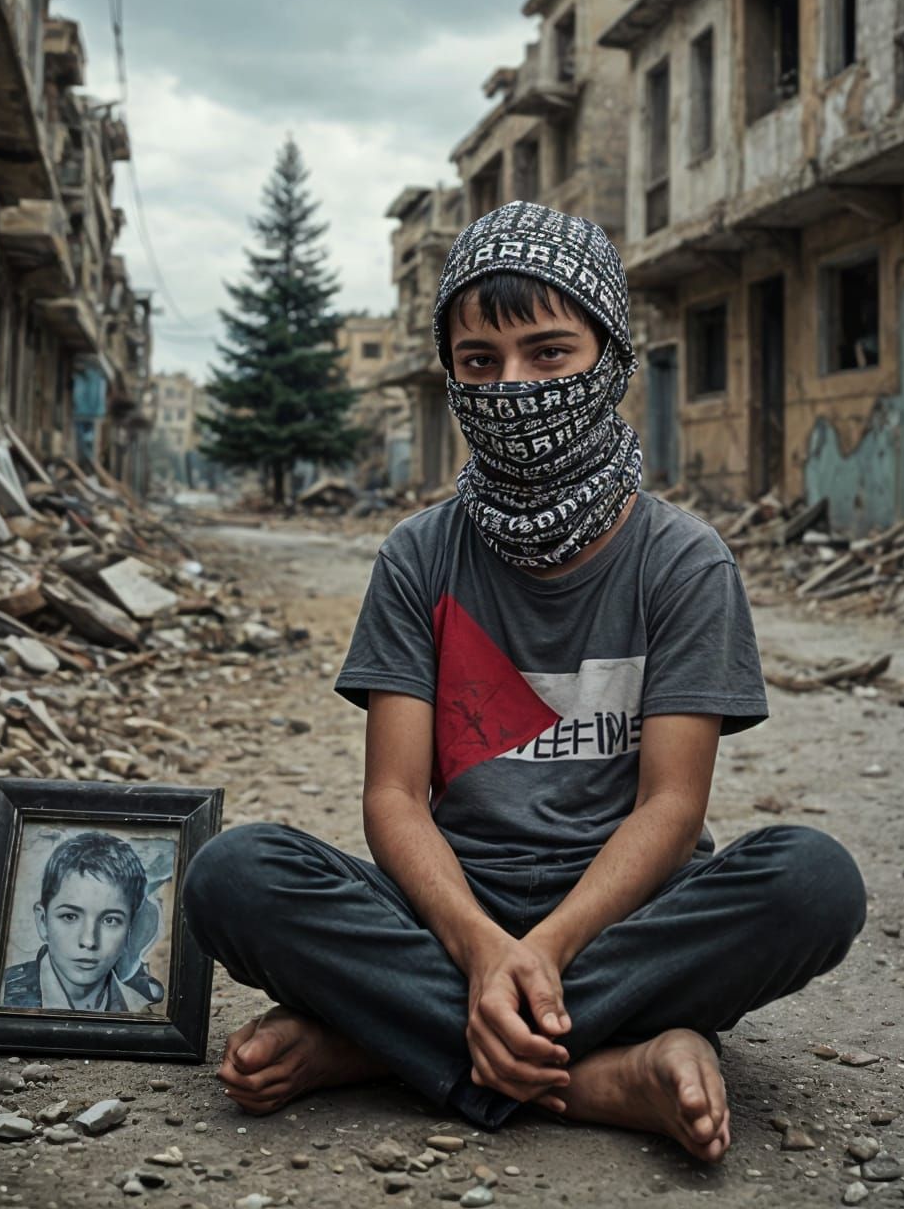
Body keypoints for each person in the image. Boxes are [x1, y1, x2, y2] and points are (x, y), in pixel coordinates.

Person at [183, 201, 866, 1161]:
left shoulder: (683, 562)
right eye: (479, 362)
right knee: (233, 876)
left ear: (612, 359)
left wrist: (543, 950)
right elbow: (393, 798)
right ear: (452, 375)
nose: (513, 387)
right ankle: (602, 1077)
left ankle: (376, 1045)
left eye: (549, 354)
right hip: (448, 905)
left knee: (812, 883)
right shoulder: (419, 556)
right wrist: (478, 946)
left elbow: (672, 809)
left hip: (628, 910)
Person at [1, 831, 162, 1013]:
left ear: (129, 930)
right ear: (43, 922)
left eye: (110, 920)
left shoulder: (140, 1012)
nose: (89, 941)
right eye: (70, 917)